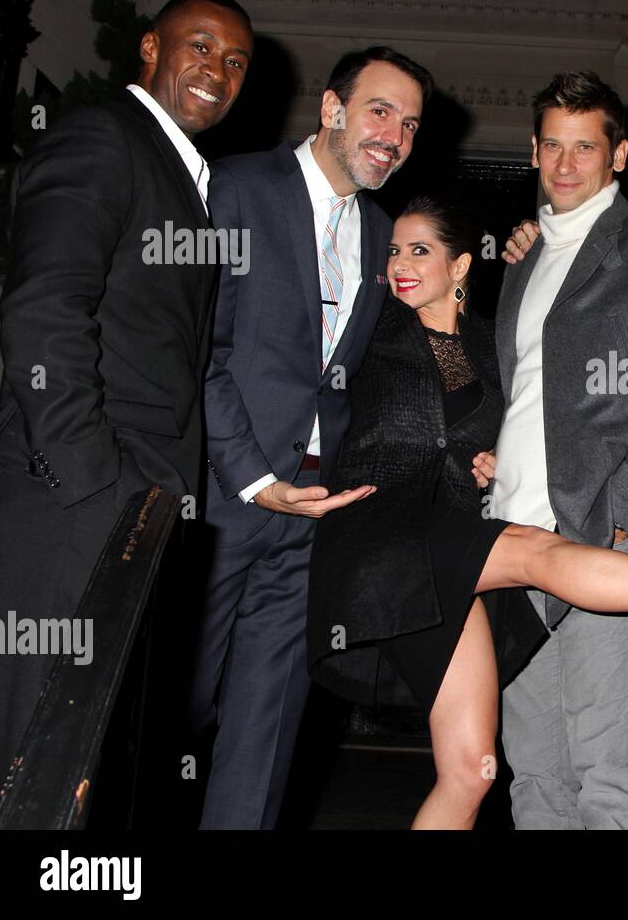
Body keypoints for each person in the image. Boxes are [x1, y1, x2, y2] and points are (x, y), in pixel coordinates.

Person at [307, 196, 628, 828]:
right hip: (382, 529)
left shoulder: (491, 346)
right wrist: (274, 482)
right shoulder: (372, 330)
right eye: (393, 250)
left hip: (451, 547)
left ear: (462, 266)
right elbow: (294, 374)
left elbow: (533, 414)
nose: (400, 264)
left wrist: (495, 458)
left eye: (420, 250)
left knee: (473, 771)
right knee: (537, 554)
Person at [0, 0, 254, 807]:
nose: (217, 70)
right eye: (200, 46)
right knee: (32, 774)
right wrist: (95, 486)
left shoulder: (183, 179)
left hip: (126, 516)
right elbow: (43, 308)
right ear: (149, 47)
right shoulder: (105, 138)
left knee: (81, 775)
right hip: (72, 505)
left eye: (236, 61)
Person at [191, 46, 431, 829]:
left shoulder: (381, 231)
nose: (394, 135)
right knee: (175, 709)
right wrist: (255, 479)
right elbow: (201, 353)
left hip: (313, 519)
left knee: (263, 736)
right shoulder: (236, 187)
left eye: (410, 124)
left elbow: (365, 371)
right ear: (332, 108)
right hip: (221, 502)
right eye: (379, 111)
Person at [491, 70, 628, 829]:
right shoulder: (521, 258)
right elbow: (522, 394)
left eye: (584, 146)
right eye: (552, 144)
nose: (565, 162)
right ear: (532, 150)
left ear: (618, 155)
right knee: (534, 778)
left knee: (608, 778)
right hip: (510, 544)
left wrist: (622, 514)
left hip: (602, 542)